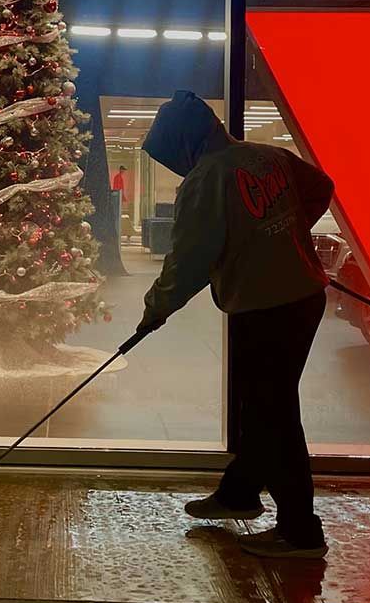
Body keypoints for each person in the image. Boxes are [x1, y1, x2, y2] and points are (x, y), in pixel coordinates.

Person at [135, 90, 334, 558]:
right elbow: (321, 188)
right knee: (261, 404)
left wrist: (155, 309)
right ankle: (240, 494)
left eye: (172, 156)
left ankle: (301, 531)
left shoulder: (207, 179)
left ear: (186, 142)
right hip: (303, 297)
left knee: (274, 413)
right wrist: (287, 236)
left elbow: (189, 261)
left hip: (267, 306)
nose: (176, 167)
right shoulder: (267, 156)